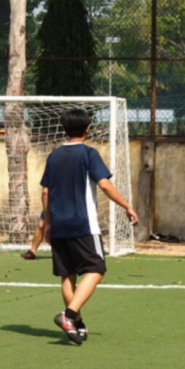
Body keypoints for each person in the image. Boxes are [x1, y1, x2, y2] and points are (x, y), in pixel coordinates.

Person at [41, 109, 139, 345]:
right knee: (97, 269)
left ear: (64, 130)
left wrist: (47, 222)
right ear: (87, 129)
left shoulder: (53, 156)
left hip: (59, 223)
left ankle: (77, 324)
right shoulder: (88, 153)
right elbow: (104, 185)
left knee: (68, 275)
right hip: (83, 223)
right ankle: (69, 315)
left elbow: (45, 191)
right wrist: (127, 205)